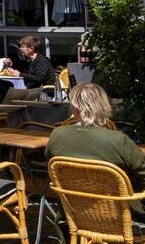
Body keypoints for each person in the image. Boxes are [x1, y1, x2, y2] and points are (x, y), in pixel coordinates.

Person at [45, 82, 145, 216]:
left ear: (74, 108)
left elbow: (50, 167)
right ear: (103, 107)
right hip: (121, 215)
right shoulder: (118, 140)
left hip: (73, 215)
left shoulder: (57, 135)